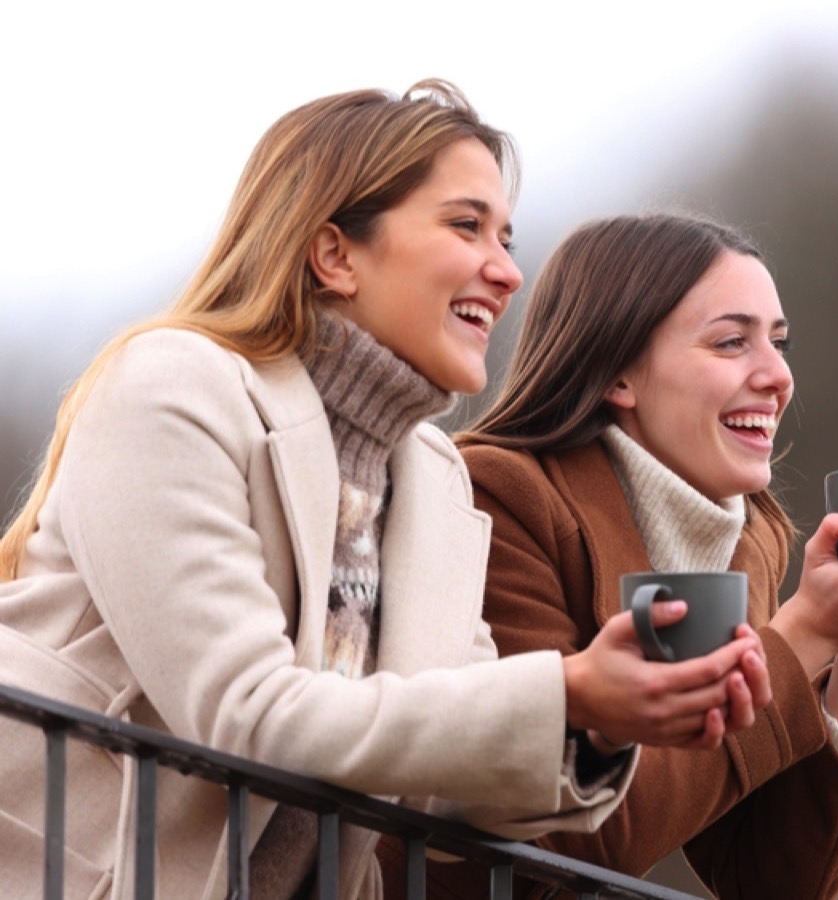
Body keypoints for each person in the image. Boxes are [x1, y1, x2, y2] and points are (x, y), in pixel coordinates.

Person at [0, 85, 768, 900]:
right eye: (466, 225)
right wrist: (567, 688)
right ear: (335, 254)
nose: (507, 271)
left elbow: (451, 781)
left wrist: (593, 721)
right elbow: (247, 717)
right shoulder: (173, 386)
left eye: (506, 236)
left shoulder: (432, 480)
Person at [383, 212, 838, 899]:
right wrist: (808, 631)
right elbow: (574, 838)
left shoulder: (745, 544)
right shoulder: (497, 498)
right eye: (731, 343)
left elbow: (769, 882)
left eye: (779, 344)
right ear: (620, 375)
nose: (778, 376)